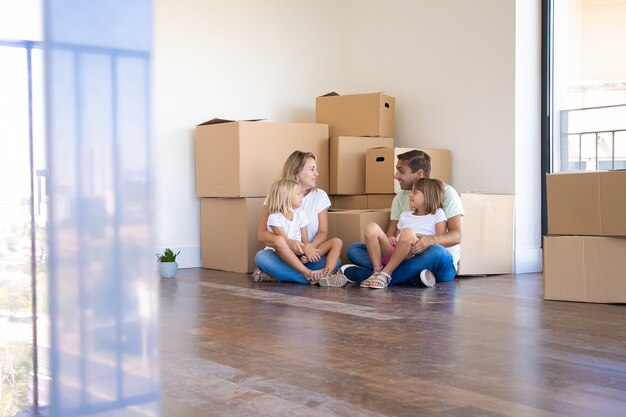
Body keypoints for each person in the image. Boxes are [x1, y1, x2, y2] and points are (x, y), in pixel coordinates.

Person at [342, 149, 463, 286]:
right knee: (354, 249)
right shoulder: (400, 197)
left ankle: (366, 275)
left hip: (434, 258)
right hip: (401, 255)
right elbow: (391, 234)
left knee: (437, 252)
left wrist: (429, 240)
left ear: (419, 174)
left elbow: (456, 236)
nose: (396, 176)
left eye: (401, 171)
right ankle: (413, 277)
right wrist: (391, 239)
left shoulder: (446, 193)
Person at [254, 151, 345, 286]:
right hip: (280, 255)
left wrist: (309, 248)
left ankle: (277, 276)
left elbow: (323, 232)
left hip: (306, 255)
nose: (317, 174)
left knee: (336, 261)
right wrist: (289, 243)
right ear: (297, 171)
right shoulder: (277, 195)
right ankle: (316, 277)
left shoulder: (320, 196)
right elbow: (262, 235)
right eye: (312, 169)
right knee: (261, 257)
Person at [360, 177, 447, 289]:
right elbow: (397, 238)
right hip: (396, 252)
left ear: (428, 196)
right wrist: (391, 237)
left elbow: (440, 241)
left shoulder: (438, 214)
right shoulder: (404, 215)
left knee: (408, 233)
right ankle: (377, 271)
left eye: (415, 192)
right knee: (370, 228)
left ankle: (386, 273)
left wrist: (423, 242)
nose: (410, 195)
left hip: (414, 255)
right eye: (411, 191)